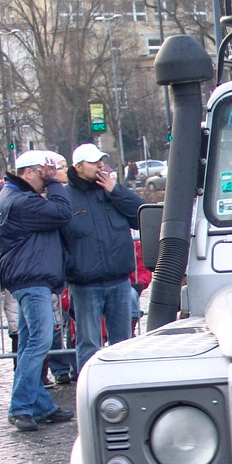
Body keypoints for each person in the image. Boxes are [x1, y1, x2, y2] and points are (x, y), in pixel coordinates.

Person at [0, 150, 75, 431]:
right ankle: (21, 407)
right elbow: (62, 212)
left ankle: (40, 405)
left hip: (27, 277)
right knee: (39, 341)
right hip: (31, 278)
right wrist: (54, 184)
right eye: (43, 173)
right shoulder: (21, 202)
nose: (47, 179)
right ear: (28, 173)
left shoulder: (11, 197)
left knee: (29, 342)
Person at [62, 143, 146, 372]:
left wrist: (117, 191)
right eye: (93, 162)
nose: (100, 165)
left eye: (101, 160)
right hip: (85, 284)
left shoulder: (112, 192)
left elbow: (142, 216)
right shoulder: (64, 197)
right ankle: (90, 391)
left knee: (123, 342)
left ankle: (122, 386)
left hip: (119, 280)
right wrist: (70, 269)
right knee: (88, 343)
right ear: (78, 167)